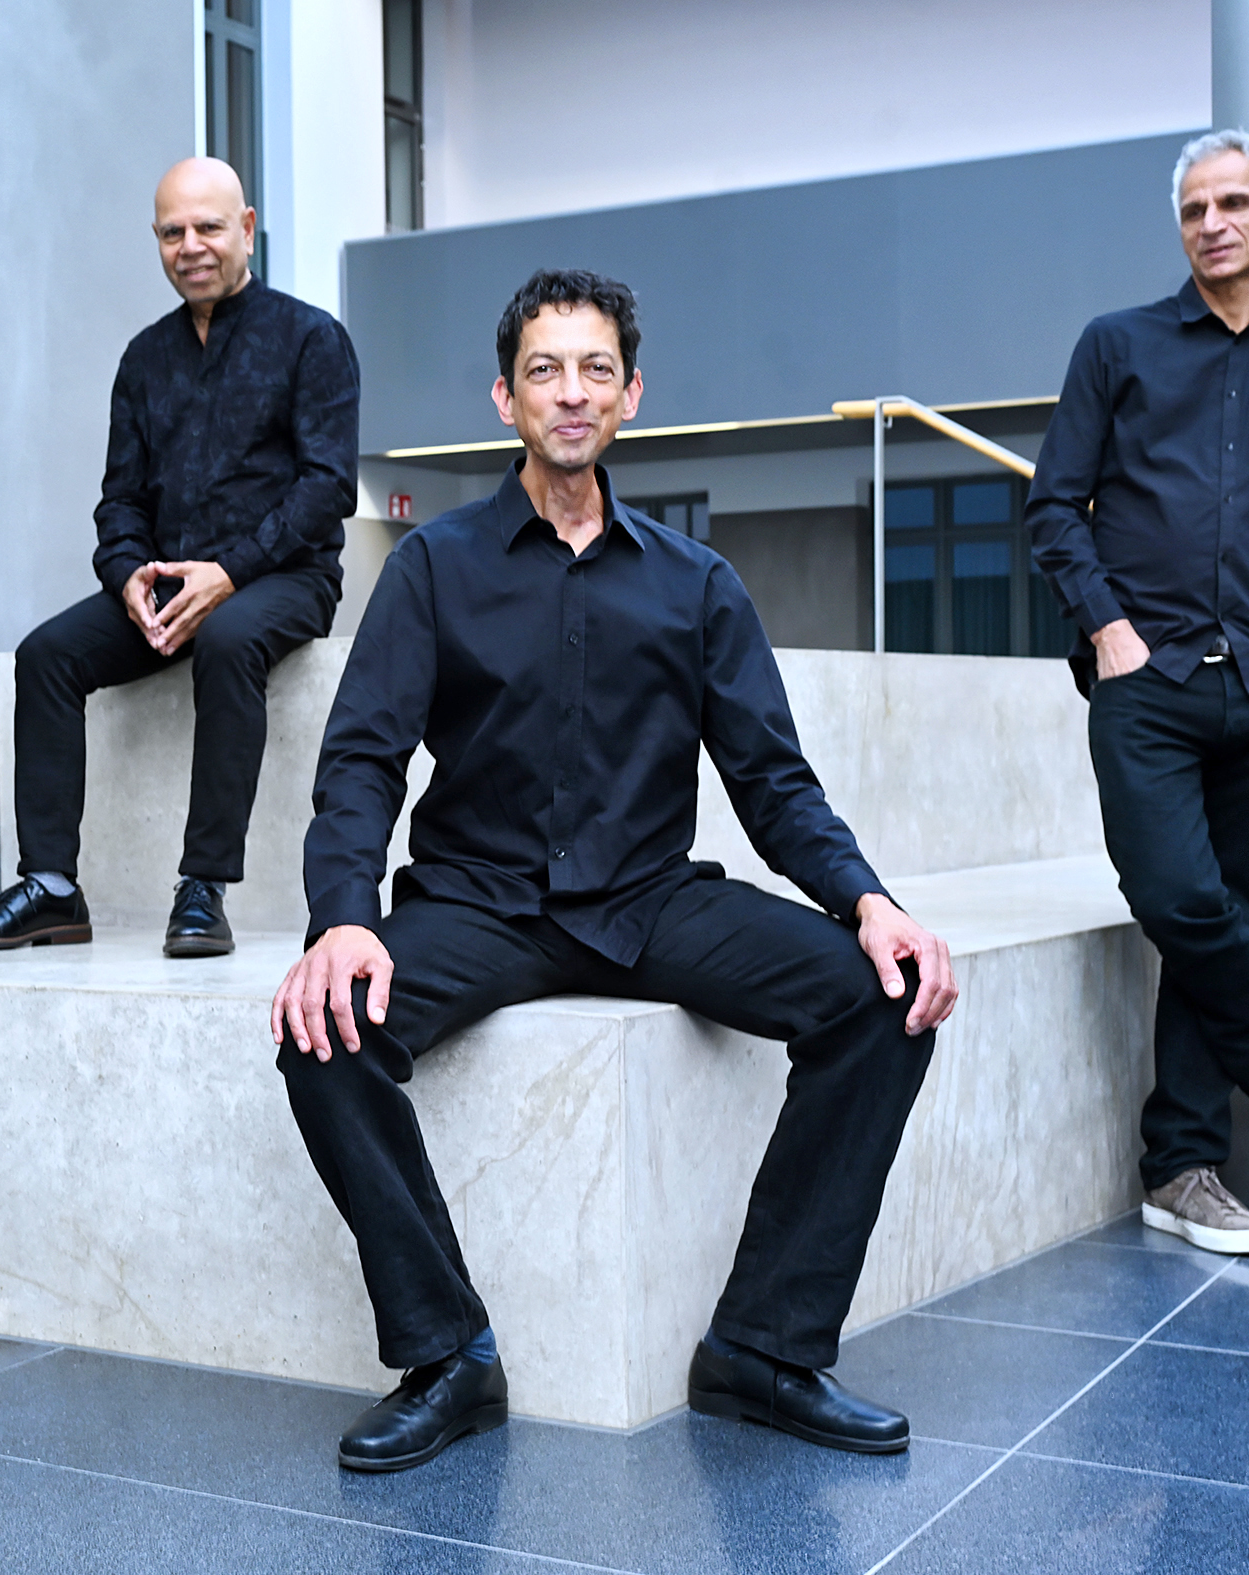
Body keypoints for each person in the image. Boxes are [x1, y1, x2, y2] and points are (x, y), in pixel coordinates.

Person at [270, 269, 959, 1473]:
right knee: (323, 1035)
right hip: (478, 903)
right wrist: (343, 919)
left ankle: (763, 1348)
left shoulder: (696, 584)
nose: (571, 392)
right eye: (544, 370)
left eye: (595, 369)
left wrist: (870, 902)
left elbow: (773, 783)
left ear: (631, 394)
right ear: (505, 398)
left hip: (652, 902)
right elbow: (362, 760)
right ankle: (447, 1357)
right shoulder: (432, 566)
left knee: (879, 999)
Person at [1027, 130, 1249, 1258]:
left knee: (1216, 914)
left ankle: (1180, 1165)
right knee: (1176, 897)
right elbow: (1053, 507)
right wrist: (1111, 634)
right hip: (1148, 682)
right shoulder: (1117, 346)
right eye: (1193, 209)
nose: (1212, 224)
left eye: (1233, 203)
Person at [0, 157, 360, 959]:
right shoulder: (143, 359)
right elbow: (120, 499)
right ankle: (51, 888)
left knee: (230, 638)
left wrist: (229, 573)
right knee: (46, 655)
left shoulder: (312, 339)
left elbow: (327, 487)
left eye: (208, 227)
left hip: (284, 577)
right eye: (173, 232)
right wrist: (127, 572)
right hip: (165, 583)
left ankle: (204, 887)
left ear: (247, 229)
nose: (190, 245)